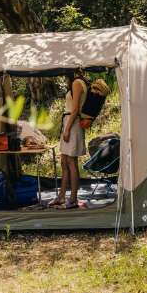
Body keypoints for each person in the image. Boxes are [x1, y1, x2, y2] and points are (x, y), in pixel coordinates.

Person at [51, 68, 88, 209]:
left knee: (71, 161)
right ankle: (61, 196)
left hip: (72, 124)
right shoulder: (76, 82)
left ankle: (72, 199)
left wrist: (67, 129)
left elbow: (75, 110)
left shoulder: (77, 83)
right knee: (64, 161)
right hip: (68, 122)